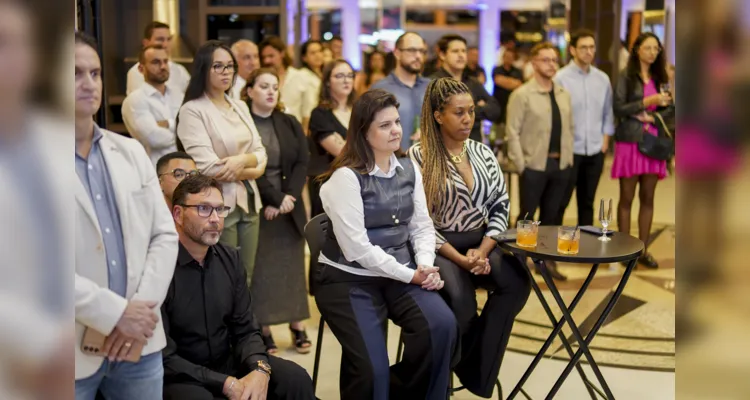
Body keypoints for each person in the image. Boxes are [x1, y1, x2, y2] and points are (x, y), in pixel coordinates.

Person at [316, 89, 458, 399]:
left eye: (397, 122)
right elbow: (356, 248)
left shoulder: (409, 168)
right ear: (364, 132)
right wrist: (412, 275)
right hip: (348, 280)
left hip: (400, 273)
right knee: (372, 369)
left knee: (442, 326)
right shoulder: (346, 178)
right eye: (384, 125)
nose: (396, 130)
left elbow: (421, 225)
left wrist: (423, 264)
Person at [407, 77, 530, 397]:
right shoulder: (419, 155)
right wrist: (462, 258)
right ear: (438, 116)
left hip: (482, 241)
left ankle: (475, 371)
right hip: (438, 245)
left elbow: (501, 205)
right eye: (458, 113)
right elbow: (418, 220)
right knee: (461, 302)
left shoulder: (482, 151)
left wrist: (484, 249)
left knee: (518, 282)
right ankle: (462, 372)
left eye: (471, 112)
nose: (467, 120)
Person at [74, 32, 179, 399]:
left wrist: (139, 312)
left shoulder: (130, 152)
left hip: (140, 342)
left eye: (95, 73)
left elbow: (164, 235)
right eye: (74, 73)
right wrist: (115, 314)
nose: (88, 84)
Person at [162, 174, 316, 400]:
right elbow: (163, 356)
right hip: (184, 375)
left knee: (295, 378)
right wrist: (224, 383)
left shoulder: (230, 259)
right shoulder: (160, 268)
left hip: (228, 362)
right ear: (178, 214)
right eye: (204, 209)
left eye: (220, 209)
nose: (215, 218)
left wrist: (259, 368)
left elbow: (246, 329)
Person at [176, 40, 267, 285]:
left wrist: (240, 161)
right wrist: (254, 169)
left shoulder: (239, 105)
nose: (226, 72)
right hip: (216, 204)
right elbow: (208, 168)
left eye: (229, 66)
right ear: (204, 70)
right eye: (218, 66)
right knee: (222, 276)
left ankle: (241, 324)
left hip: (249, 198)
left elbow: (261, 152)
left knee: (245, 275)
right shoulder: (192, 110)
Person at [242, 68, 312, 354]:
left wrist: (289, 198)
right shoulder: (242, 123)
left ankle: (297, 325)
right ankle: (264, 328)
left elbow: (302, 161)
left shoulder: (289, 121)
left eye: (274, 86)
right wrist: (272, 200)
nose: (271, 91)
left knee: (292, 266)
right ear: (249, 92)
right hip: (258, 203)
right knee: (262, 270)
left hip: (288, 205)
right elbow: (248, 167)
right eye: (263, 86)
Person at [506, 42, 574, 281]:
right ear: (533, 64)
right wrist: (522, 164)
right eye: (546, 60)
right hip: (534, 165)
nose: (551, 64)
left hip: (560, 165)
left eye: (554, 60)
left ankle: (545, 262)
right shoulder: (522, 95)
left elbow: (569, 129)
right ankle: (521, 261)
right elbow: (512, 132)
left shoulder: (563, 94)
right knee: (527, 217)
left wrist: (569, 158)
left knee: (552, 216)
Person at [612, 32, 674, 269]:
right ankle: (625, 251)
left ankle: (642, 251)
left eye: (656, 48)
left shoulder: (660, 77)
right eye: (648, 48)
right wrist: (646, 103)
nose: (652, 52)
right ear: (637, 49)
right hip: (629, 142)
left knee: (648, 197)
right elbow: (618, 107)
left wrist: (655, 114)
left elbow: (670, 110)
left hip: (654, 142)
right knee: (626, 198)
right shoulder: (626, 77)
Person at [554, 29, 615, 226]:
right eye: (583, 47)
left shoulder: (602, 79)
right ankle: (551, 249)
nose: (589, 52)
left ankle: (586, 248)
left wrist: (605, 141)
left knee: (587, 202)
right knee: (561, 201)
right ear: (572, 50)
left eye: (591, 47)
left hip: (596, 150)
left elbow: (608, 112)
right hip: (571, 151)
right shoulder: (560, 78)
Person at [307, 59, 357, 219]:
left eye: (350, 75)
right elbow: (341, 152)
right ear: (327, 82)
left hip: (356, 184)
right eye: (339, 76)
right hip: (329, 185)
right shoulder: (320, 114)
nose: (346, 80)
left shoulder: (357, 111)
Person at [430, 34, 501, 143]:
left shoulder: (473, 82)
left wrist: (464, 111)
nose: (461, 55)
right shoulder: (434, 83)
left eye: (463, 51)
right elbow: (436, 116)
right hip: (444, 148)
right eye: (455, 51)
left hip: (473, 148)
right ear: (442, 55)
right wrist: (477, 109)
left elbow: (495, 109)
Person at [122, 45, 184, 166]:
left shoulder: (179, 95)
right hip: (153, 172)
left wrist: (169, 123)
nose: (163, 66)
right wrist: (184, 135)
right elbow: (153, 138)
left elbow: (194, 126)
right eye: (156, 62)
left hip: (185, 171)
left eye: (165, 61)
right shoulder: (135, 100)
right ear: (141, 68)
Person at [371, 31, 431, 148]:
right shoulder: (380, 89)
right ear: (397, 53)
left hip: (429, 161)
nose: (418, 56)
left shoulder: (431, 87)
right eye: (412, 50)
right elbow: (369, 131)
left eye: (422, 51)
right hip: (392, 161)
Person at [260, 36, 317, 131]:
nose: (267, 61)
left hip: (294, 134)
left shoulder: (301, 77)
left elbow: (307, 115)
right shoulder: (260, 81)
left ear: (282, 53)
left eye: (271, 56)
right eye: (264, 57)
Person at [126, 21, 190, 95]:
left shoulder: (180, 70)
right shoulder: (137, 71)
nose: (165, 44)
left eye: (169, 39)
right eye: (160, 39)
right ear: (146, 43)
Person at [491, 47, 523, 128]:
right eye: (507, 56)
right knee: (497, 132)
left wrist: (505, 81)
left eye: (511, 57)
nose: (509, 59)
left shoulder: (518, 71)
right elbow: (498, 80)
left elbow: (519, 84)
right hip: (499, 105)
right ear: (503, 57)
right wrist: (512, 83)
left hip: (514, 105)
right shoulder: (497, 69)